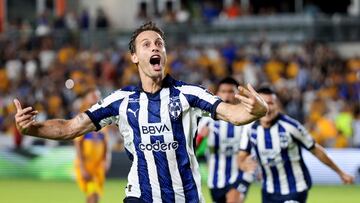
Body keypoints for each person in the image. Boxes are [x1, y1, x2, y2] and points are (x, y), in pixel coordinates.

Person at [13, 21, 268, 203]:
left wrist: (257, 111)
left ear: (165, 54)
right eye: (146, 45)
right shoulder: (121, 101)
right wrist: (31, 128)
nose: (155, 48)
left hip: (185, 196)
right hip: (141, 195)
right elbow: (71, 127)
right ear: (134, 56)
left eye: (159, 44)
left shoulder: (189, 94)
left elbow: (233, 114)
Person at [237, 85, 354, 203]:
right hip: (268, 191)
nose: (267, 108)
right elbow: (242, 156)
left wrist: (340, 172)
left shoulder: (291, 126)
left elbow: (315, 150)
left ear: (277, 105)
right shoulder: (249, 128)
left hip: (295, 189)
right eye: (263, 103)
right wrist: (244, 165)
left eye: (271, 103)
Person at [196, 77, 256, 203]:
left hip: (240, 174)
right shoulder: (207, 120)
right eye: (223, 91)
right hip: (216, 179)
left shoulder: (247, 119)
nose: (227, 95)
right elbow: (191, 147)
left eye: (230, 91)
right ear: (217, 94)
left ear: (238, 95)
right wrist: (201, 137)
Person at [74, 88, 110, 203]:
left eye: (97, 96)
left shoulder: (103, 119)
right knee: (93, 195)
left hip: (98, 166)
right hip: (87, 165)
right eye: (93, 96)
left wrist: (106, 160)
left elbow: (105, 144)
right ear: (85, 99)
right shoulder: (82, 119)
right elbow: (78, 144)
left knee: (95, 197)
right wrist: (82, 167)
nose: (96, 98)